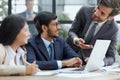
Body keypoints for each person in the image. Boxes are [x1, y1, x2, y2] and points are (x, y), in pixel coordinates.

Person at [66, 0, 120, 66]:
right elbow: (72, 31)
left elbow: (111, 56)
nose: (96, 13)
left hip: (87, 64)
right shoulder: (84, 11)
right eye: (98, 8)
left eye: (102, 13)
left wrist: (99, 62)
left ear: (110, 18)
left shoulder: (113, 29)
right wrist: (76, 40)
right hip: (68, 57)